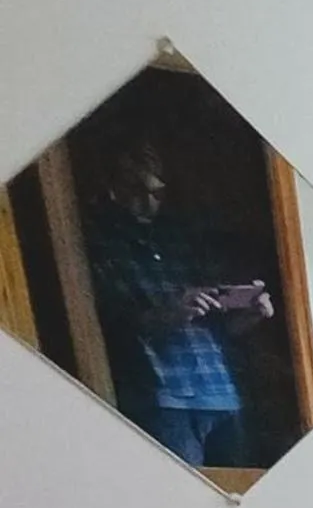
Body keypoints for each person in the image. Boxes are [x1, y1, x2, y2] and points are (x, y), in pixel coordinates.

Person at [85, 140, 274, 467]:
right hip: (164, 400)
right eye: (137, 190)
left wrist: (252, 314)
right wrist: (169, 313)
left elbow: (220, 329)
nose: (148, 202)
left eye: (157, 193)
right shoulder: (100, 245)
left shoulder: (181, 243)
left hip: (223, 394)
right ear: (114, 188)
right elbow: (112, 321)